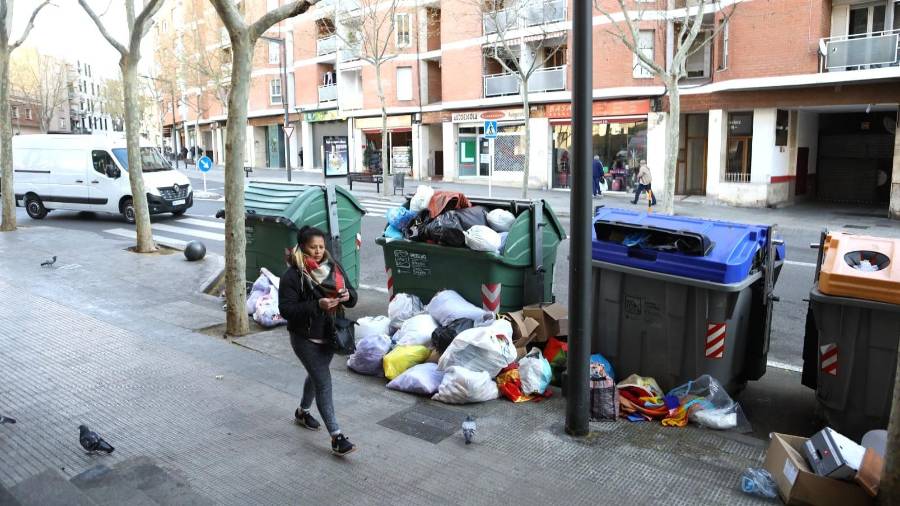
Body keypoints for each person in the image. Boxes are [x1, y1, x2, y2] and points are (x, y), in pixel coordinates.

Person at [278, 226, 358, 457]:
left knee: (316, 376)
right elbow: (286, 310)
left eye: (321, 247)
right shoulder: (293, 276)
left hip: (329, 334)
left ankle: (302, 412)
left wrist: (346, 296)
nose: (318, 251)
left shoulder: (333, 267)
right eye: (313, 247)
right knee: (323, 381)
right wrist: (317, 305)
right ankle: (337, 437)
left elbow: (352, 296)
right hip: (304, 338)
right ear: (302, 246)